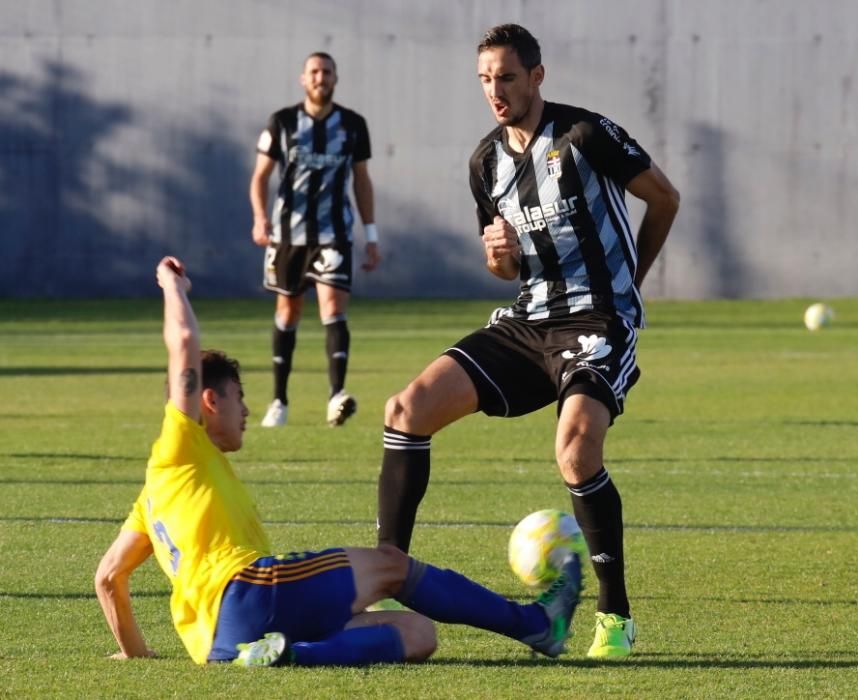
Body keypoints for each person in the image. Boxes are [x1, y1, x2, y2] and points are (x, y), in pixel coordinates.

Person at [93, 256, 583, 667]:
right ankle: (536, 625)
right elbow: (183, 345)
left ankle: (287, 654)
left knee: (417, 634)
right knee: (392, 565)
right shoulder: (179, 446)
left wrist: (136, 654)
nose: (245, 410)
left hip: (219, 644)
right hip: (248, 590)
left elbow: (109, 577)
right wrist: (172, 285)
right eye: (238, 397)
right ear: (208, 401)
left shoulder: (153, 498)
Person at [375, 24, 680, 660]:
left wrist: (629, 288)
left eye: (507, 78)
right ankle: (383, 575)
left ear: (537, 76)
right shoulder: (485, 161)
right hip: (527, 319)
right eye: (486, 80)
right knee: (405, 411)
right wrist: (498, 257)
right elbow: (505, 269)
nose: (496, 91)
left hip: (598, 319)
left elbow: (665, 199)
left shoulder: (585, 135)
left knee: (575, 453)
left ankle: (614, 616)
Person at [249, 51, 380, 428]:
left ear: (336, 78)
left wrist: (371, 235)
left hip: (334, 233)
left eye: (327, 72)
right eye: (314, 72)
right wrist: (260, 219)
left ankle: (336, 395)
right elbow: (260, 176)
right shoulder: (282, 122)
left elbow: (362, 180)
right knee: (288, 312)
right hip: (287, 234)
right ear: (303, 79)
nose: (320, 78)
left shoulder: (353, 124)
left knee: (333, 309)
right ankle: (279, 401)